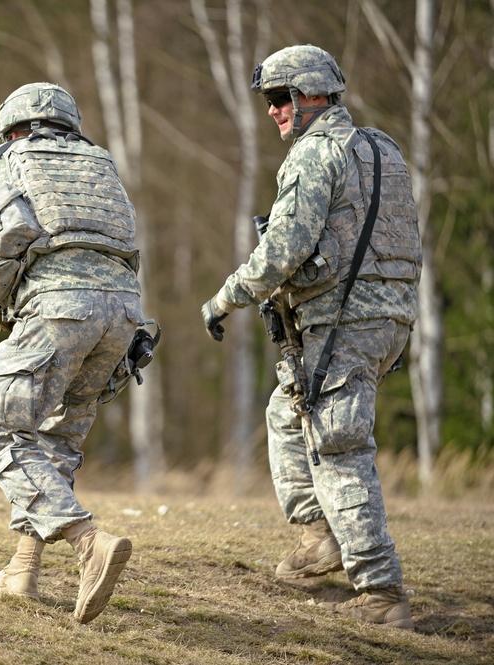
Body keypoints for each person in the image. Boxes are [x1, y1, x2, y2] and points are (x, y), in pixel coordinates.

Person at [200, 45, 422, 629]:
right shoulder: (383, 149)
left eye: (279, 99)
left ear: (309, 96)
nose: (272, 112)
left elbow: (284, 250)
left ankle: (381, 590)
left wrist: (225, 298)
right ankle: (316, 536)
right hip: (389, 320)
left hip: (343, 324)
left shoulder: (315, 153)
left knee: (338, 447)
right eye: (269, 101)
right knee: (285, 413)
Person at [0, 82, 144, 624]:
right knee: (55, 440)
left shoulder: (2, 158)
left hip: (57, 309)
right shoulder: (100, 163)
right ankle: (22, 571)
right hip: (125, 314)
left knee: (5, 430)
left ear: (12, 128)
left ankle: (89, 543)